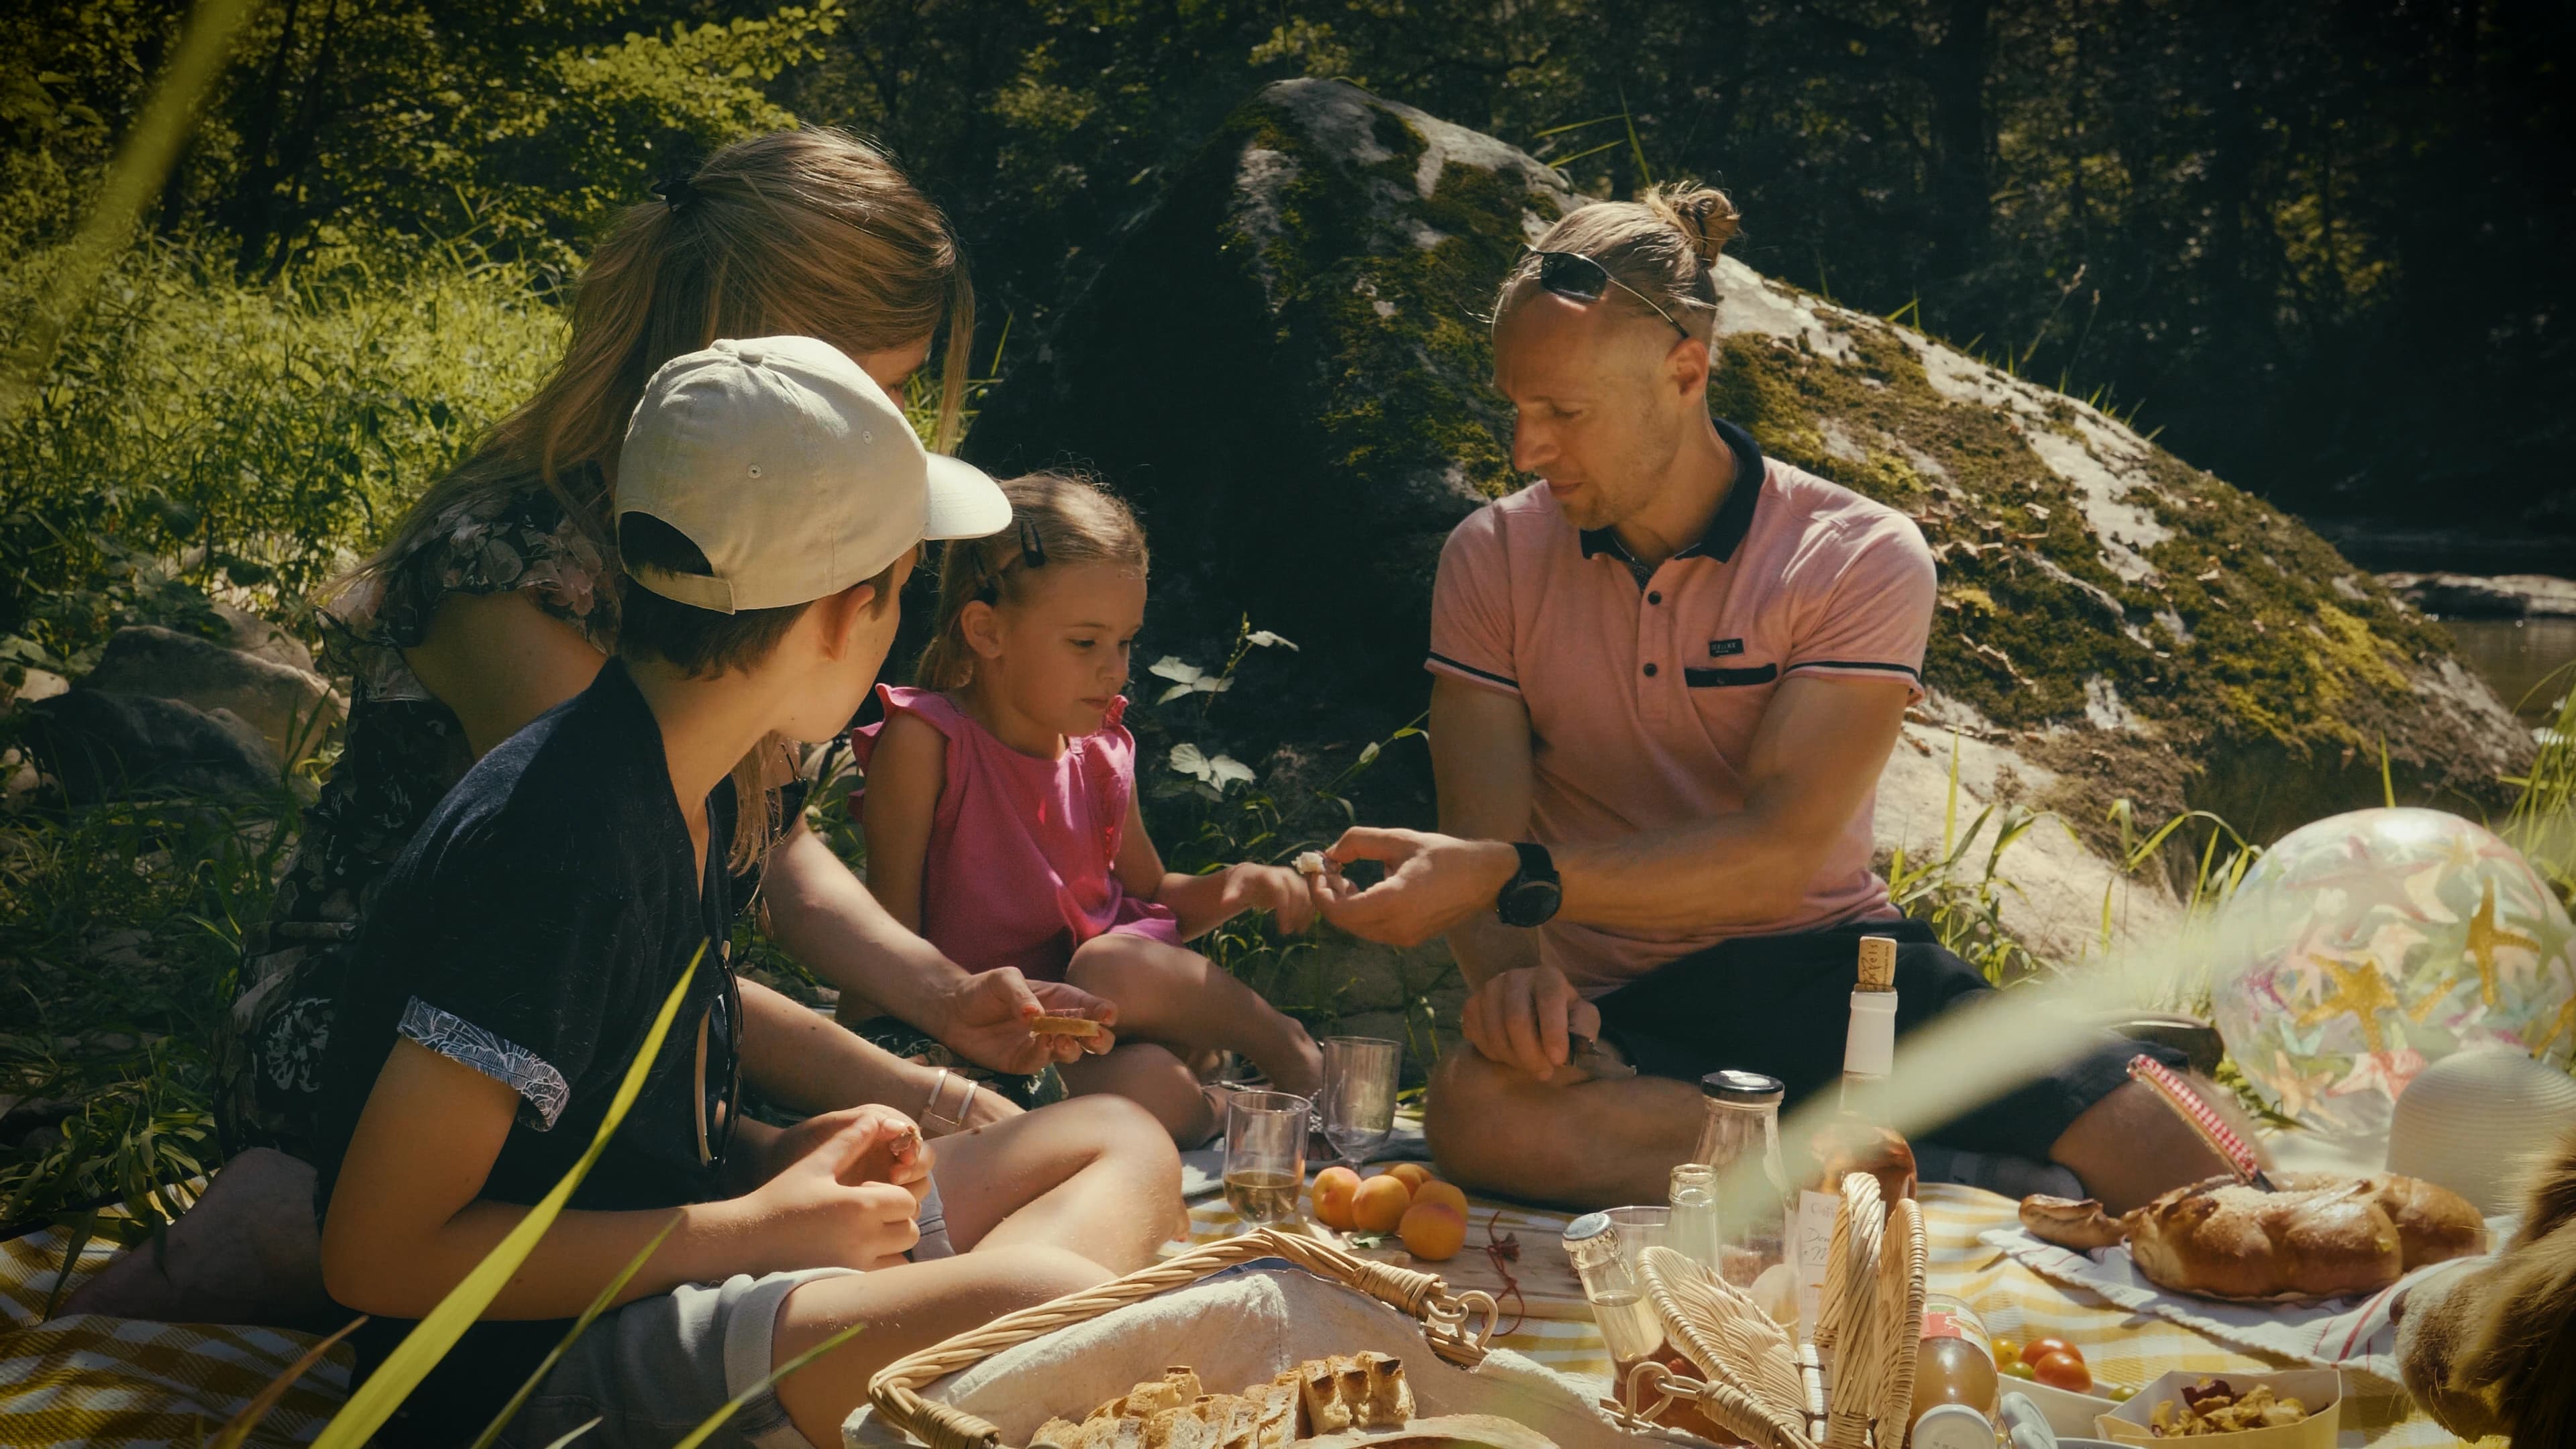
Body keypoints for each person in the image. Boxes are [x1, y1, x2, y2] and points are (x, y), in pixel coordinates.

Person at [216, 128, 1122, 1204]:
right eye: (879, 390)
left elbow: (762, 844)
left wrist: (944, 995)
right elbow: (614, 921)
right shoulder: (508, 572)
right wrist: (922, 1091)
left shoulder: (722, 540)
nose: (893, 429)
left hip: (605, 1038)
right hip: (401, 1062)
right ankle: (274, 1238)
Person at [313, 334, 1179, 1449]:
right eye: (900, 594)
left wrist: (782, 1159)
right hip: (530, 1370)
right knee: (1041, 1311)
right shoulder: (559, 844)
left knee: (1118, 1139)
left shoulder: (692, 780)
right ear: (835, 617)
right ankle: (967, 1380)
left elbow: (628, 1130)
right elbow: (376, 1251)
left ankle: (952, 1387)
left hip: (679, 1269)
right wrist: (755, 1231)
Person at [1309, 182, 2239, 1215]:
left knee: (2210, 1173)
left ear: (1686, 371)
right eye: (1517, 409)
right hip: (1626, 1013)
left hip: (1846, 974)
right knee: (1479, 1115)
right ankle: (1901, 1164)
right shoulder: (1491, 557)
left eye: (1564, 413)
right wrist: (1513, 982)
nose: (1527, 450)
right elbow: (1480, 854)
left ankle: (1935, 1130)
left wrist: (1508, 877)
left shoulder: (1857, 554)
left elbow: (1777, 854)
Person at [851, 473, 1325, 1143]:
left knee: (1109, 964)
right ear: (986, 631)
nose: (1116, 670)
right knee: (1152, 1087)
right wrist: (877, 1066)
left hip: (1104, 1006)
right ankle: (1223, 1103)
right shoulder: (927, 744)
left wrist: (1236, 888)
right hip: (986, 1044)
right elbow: (884, 941)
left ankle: (1287, 1048)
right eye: (1085, 643)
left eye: (1126, 642)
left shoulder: (1100, 751)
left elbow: (1153, 896)